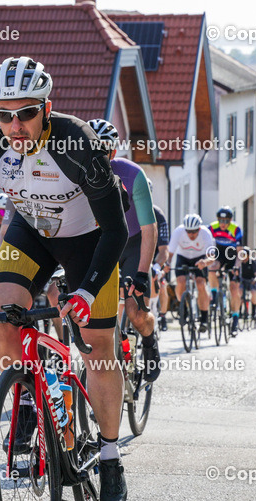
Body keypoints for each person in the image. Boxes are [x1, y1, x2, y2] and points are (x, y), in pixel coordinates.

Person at [0, 57, 130, 501]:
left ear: (47, 108)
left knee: (98, 348)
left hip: (89, 241)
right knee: (0, 309)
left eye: (25, 113)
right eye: (4, 115)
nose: (14, 125)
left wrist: (85, 291)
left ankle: (108, 455)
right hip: (33, 233)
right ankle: (28, 393)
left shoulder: (76, 141)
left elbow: (117, 231)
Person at [88, 118, 161, 381]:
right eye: (89, 148)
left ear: (113, 152)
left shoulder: (132, 175)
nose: (95, 156)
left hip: (132, 244)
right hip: (100, 244)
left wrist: (142, 274)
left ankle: (150, 342)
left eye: (102, 150)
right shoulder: (71, 174)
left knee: (135, 312)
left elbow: (148, 229)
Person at [168, 214, 214, 333]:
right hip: (183, 257)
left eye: (194, 231)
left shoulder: (206, 233)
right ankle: (183, 307)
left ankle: (204, 318)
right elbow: (170, 252)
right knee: (181, 281)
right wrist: (167, 264)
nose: (191, 234)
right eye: (189, 231)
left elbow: (212, 256)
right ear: (185, 229)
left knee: (200, 284)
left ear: (199, 229)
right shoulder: (178, 231)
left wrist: (205, 262)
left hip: (200, 259)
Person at [208, 206, 244, 335]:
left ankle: (235, 318)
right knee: (212, 269)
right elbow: (207, 247)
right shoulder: (212, 228)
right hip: (219, 253)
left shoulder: (236, 229)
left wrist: (237, 267)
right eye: (221, 221)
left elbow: (240, 253)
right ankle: (214, 293)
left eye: (226, 221)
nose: (223, 224)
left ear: (230, 220)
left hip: (233, 256)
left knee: (234, 289)